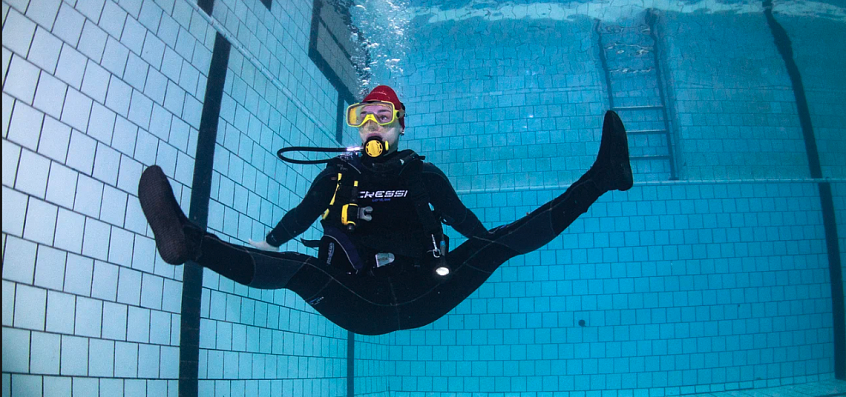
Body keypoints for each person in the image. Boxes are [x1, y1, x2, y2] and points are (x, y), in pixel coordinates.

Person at [138, 85, 633, 335]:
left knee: (499, 244)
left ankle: (604, 177)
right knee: (298, 270)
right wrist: (268, 244)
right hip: (359, 300)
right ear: (357, 128)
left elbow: (462, 220)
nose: (374, 126)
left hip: (429, 288)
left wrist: (486, 245)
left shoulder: (423, 174)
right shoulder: (337, 174)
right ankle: (189, 242)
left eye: (385, 118)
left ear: (400, 127)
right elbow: (305, 214)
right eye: (365, 118)